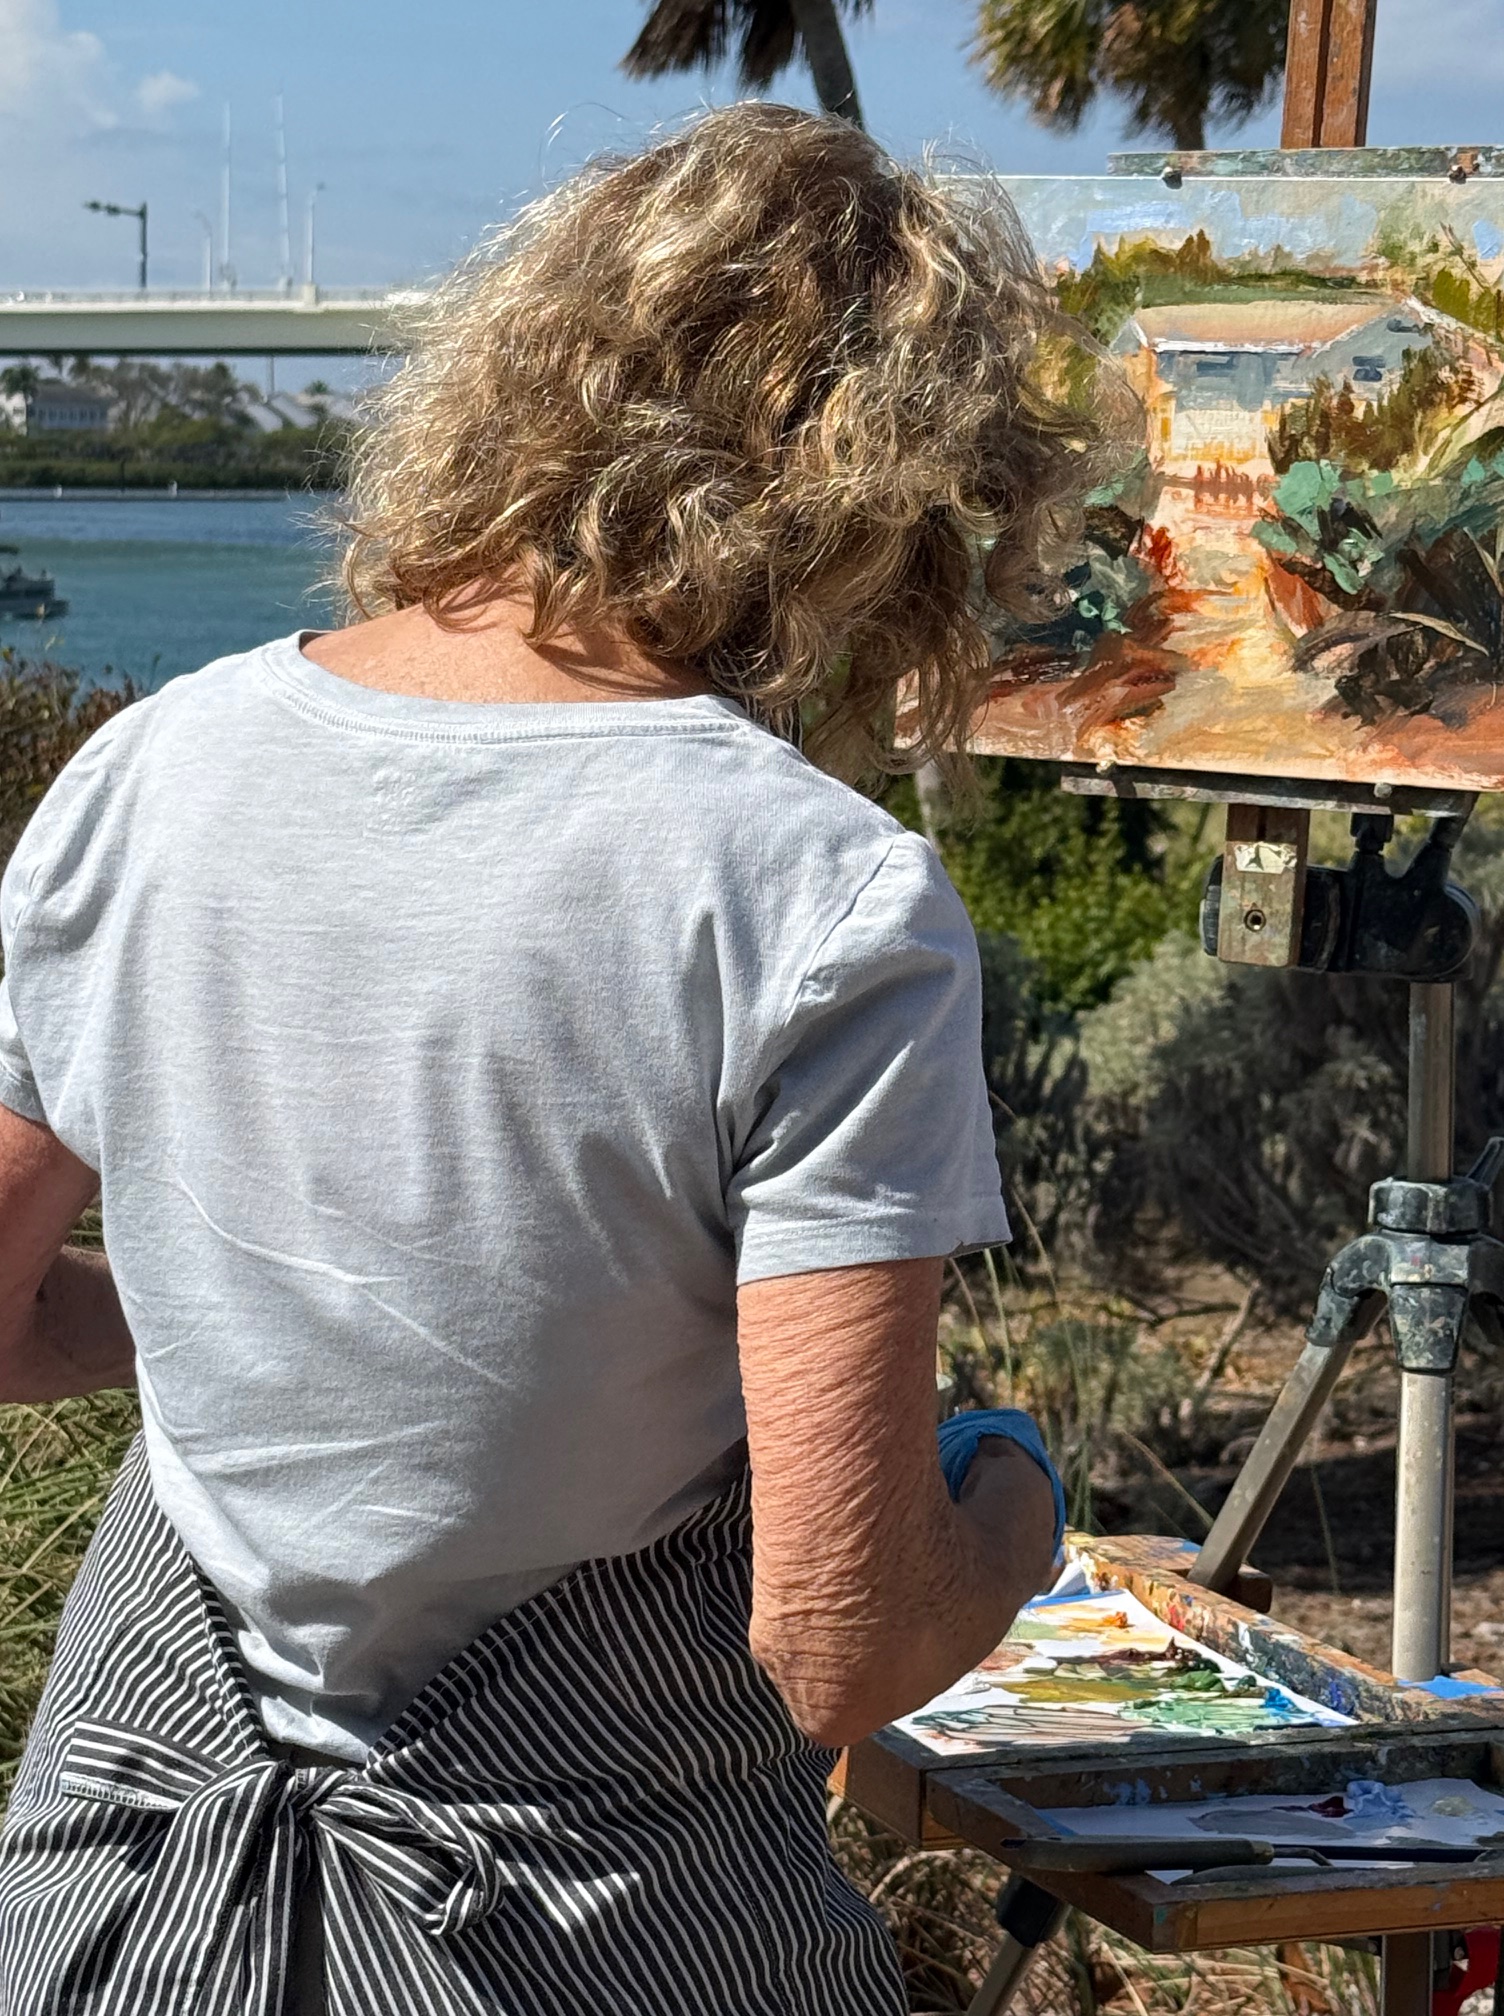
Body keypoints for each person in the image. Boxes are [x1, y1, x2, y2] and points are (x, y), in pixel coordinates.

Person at [0, 103, 1088, 2015]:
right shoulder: (820, 893)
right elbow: (837, 1643)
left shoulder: (152, 768)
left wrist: (266, 1339)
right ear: (897, 505)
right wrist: (1010, 1506)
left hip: (125, 1905)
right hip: (579, 1932)